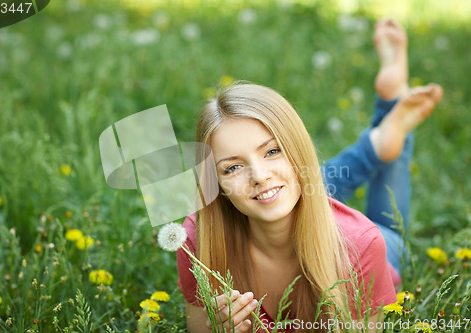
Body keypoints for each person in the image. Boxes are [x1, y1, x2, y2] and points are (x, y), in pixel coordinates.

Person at [176, 19, 443, 333]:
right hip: (293, 201)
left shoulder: (362, 246)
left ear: (298, 146)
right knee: (292, 184)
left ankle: (393, 111)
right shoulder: (199, 241)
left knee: (383, 225)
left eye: (272, 150)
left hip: (365, 241)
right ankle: (380, 139)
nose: (258, 175)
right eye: (231, 167)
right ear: (214, 183)